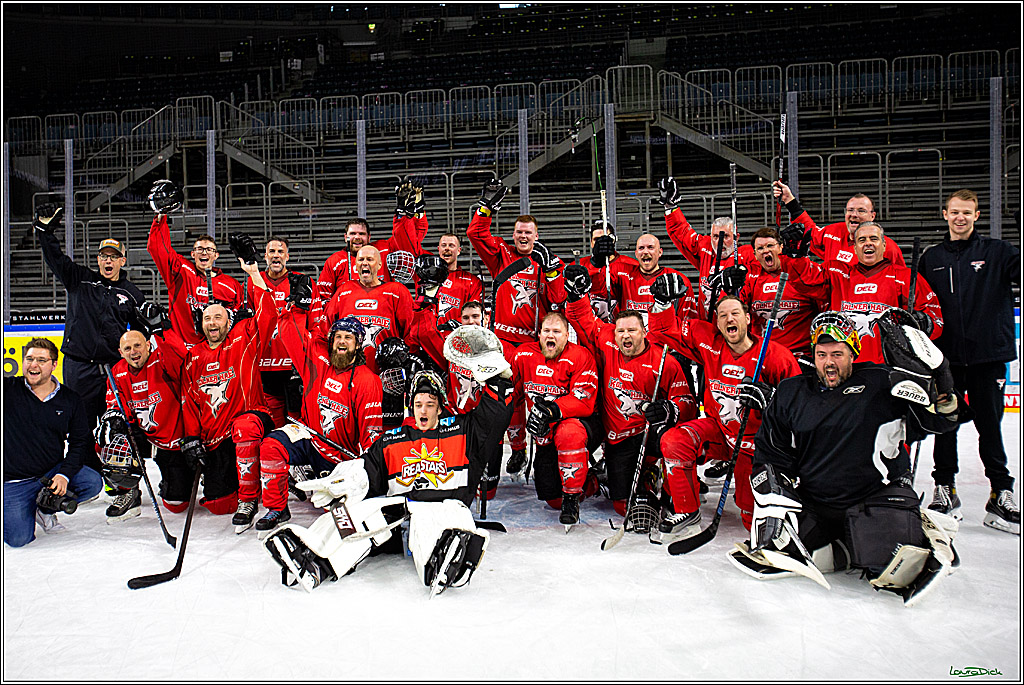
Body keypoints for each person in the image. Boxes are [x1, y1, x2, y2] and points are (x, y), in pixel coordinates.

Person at [734, 311, 962, 606]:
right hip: (817, 502)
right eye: (822, 354)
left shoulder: (884, 383)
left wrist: (940, 383)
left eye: (838, 354)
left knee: (890, 564)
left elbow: (940, 421)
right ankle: (845, 542)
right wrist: (775, 494)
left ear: (853, 353)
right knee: (779, 550)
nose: (829, 362)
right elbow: (771, 453)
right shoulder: (791, 393)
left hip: (874, 498)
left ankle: (914, 527)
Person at [261, 336, 515, 596]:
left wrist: (496, 374)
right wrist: (348, 480)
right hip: (400, 511)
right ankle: (312, 559)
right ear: (410, 407)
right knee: (354, 513)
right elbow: (369, 470)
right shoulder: (393, 439)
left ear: (440, 407)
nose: (424, 410)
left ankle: (447, 559)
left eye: (430, 404)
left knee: (442, 518)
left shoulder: (464, 431)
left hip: (443, 506)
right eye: (418, 404)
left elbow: (496, 412)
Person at [648, 282, 800, 537]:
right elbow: (662, 330)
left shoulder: (776, 356)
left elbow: (799, 407)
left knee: (750, 515)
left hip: (756, 443)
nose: (729, 319)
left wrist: (772, 400)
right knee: (674, 440)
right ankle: (687, 508)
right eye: (723, 315)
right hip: (720, 431)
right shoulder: (709, 342)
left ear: (748, 319)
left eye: (735, 313)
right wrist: (662, 302)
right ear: (717, 323)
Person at [560, 266, 697, 522]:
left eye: (632, 330)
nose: (625, 336)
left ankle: (667, 480)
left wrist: (670, 409)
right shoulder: (607, 340)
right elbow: (585, 321)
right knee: (623, 506)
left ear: (644, 332)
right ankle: (624, 475)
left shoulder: (664, 360)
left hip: (648, 433)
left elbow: (687, 402)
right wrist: (576, 295)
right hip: (618, 437)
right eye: (621, 331)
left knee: (674, 439)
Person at [919, 189, 1020, 534]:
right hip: (945, 360)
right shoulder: (931, 257)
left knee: (990, 425)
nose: (960, 218)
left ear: (977, 216)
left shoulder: (999, 252)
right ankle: (945, 488)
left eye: (968, 213)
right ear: (944, 214)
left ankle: (1001, 492)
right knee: (944, 425)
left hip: (987, 356)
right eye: (955, 212)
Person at [465, 177, 566, 479]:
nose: (523, 236)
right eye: (519, 232)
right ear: (513, 235)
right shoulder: (503, 256)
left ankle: (533, 452)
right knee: (503, 398)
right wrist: (485, 208)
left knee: (527, 398)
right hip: (502, 341)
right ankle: (516, 448)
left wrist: (550, 271)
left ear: (537, 235)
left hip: (533, 344)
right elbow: (475, 234)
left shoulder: (549, 262)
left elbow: (559, 300)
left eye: (528, 233)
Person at [258, 304, 384, 528]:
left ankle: (310, 476)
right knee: (271, 445)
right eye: (337, 337)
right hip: (310, 437)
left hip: (341, 458)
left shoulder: (367, 380)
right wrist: (295, 309)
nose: (342, 341)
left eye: (348, 337)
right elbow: (291, 334)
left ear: (358, 345)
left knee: (334, 514)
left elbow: (371, 431)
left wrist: (364, 471)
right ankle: (276, 508)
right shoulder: (318, 363)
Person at [34, 204, 147, 441]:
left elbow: (140, 335)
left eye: (114, 257)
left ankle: (117, 476)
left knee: (116, 430)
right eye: (104, 256)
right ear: (98, 259)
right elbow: (55, 258)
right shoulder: (79, 279)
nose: (109, 261)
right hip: (79, 367)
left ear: (122, 261)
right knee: (80, 428)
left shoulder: (132, 294)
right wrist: (45, 232)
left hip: (113, 369)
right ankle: (85, 476)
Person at [180, 256, 277, 528]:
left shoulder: (242, 337)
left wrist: (254, 274)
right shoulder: (193, 357)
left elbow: (268, 313)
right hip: (215, 439)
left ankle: (249, 498)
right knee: (219, 505)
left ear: (228, 321)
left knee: (244, 427)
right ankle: (250, 479)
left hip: (251, 420)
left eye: (218, 317)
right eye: (207, 318)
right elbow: (189, 402)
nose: (212, 322)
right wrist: (191, 438)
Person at [4, 338, 103, 547]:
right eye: (29, 359)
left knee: (91, 482)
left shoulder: (70, 399)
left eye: (41, 360)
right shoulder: (8, 390)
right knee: (18, 540)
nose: (33, 365)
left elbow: (79, 443)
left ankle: (45, 508)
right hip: (14, 482)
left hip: (49, 474)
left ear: (54, 365)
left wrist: (64, 474)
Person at [797, 222, 943, 365]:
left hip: (890, 367)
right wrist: (795, 257)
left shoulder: (906, 278)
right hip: (845, 368)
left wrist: (924, 323)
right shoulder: (838, 274)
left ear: (884, 245)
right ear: (854, 248)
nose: (868, 243)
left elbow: (936, 321)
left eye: (874, 239)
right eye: (862, 240)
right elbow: (805, 280)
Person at [99, 316, 194, 523]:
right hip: (142, 437)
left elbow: (181, 355)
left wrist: (162, 329)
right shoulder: (117, 371)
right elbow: (115, 403)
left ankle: (181, 478)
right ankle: (127, 492)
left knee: (177, 505)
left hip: (171, 442)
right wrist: (115, 419)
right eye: (127, 348)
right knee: (107, 442)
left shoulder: (162, 360)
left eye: (138, 345)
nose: (133, 352)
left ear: (148, 345)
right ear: (120, 352)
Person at [513, 311, 601, 526]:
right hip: (546, 434)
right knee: (552, 498)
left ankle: (572, 498)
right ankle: (590, 478)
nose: (550, 336)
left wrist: (550, 411)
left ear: (567, 335)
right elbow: (511, 395)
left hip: (581, 425)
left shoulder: (581, 355)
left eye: (556, 332)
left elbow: (584, 402)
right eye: (546, 331)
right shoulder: (524, 354)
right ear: (539, 334)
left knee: (568, 431)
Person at [147, 180, 243, 348]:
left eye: (209, 250)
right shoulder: (181, 270)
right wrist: (161, 215)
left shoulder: (231, 285)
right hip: (182, 348)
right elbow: (157, 248)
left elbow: (238, 316)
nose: (204, 252)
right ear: (192, 254)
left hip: (216, 350)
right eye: (199, 249)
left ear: (216, 256)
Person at [658, 176, 757, 319]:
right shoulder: (706, 248)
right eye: (715, 237)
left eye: (726, 237)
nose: (720, 242)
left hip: (736, 327)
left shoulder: (749, 254)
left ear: (737, 237)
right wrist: (670, 206)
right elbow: (681, 232)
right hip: (708, 329)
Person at [732, 227, 826, 359]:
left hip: (800, 356)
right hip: (763, 356)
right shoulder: (750, 277)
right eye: (760, 248)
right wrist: (731, 288)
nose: (765, 250)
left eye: (770, 245)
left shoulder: (801, 272)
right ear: (754, 255)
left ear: (781, 247)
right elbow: (735, 308)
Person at [316, 245, 414, 373]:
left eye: (370, 259)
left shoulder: (397, 291)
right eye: (361, 260)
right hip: (348, 372)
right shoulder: (344, 290)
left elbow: (411, 332)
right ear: (355, 264)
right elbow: (325, 330)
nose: (365, 263)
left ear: (379, 265)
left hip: (387, 374)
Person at [247, 236, 311, 428]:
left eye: (280, 252)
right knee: (274, 425)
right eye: (272, 252)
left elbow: (314, 322)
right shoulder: (252, 282)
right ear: (265, 256)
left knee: (298, 421)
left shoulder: (301, 282)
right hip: (265, 365)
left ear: (287, 256)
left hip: (294, 364)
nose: (276, 256)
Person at [774, 181, 905, 266]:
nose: (854, 214)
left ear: (872, 216)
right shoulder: (835, 231)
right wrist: (789, 200)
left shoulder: (889, 248)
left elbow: (901, 281)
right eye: (850, 210)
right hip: (836, 304)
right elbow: (810, 232)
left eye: (861, 211)